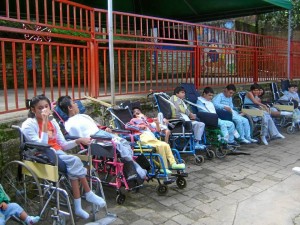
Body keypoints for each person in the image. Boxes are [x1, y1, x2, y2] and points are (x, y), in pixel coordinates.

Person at [21, 95, 106, 220]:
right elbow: (42, 146)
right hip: (41, 154)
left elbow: (63, 145)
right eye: (40, 108)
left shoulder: (53, 122)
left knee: (74, 164)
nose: (44, 110)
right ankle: (87, 194)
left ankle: (79, 205)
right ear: (33, 110)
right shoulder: (28, 125)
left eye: (46, 107)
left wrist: (78, 141)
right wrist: (44, 122)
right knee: (75, 161)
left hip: (57, 152)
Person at [56, 95, 147, 180]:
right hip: (95, 140)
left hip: (101, 134)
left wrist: (105, 128)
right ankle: (135, 167)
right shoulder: (70, 124)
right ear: (70, 107)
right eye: (74, 103)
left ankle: (134, 167)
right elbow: (81, 138)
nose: (77, 104)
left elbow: (97, 126)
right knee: (118, 144)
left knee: (123, 141)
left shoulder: (83, 116)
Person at [127, 109, 185, 174]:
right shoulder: (134, 120)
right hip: (143, 137)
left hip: (152, 137)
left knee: (165, 145)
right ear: (135, 115)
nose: (139, 113)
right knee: (160, 146)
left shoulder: (147, 122)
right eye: (136, 112)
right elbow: (127, 126)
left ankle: (173, 164)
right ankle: (163, 168)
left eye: (139, 112)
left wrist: (157, 123)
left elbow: (158, 131)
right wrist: (140, 127)